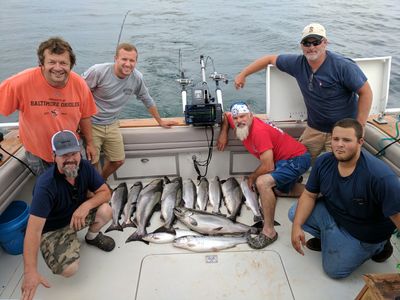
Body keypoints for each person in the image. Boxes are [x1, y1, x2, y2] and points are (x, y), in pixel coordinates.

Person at [234, 23, 373, 160]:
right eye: (306, 43)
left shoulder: (343, 66)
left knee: (338, 169)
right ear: (301, 45)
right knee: (297, 160)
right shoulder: (297, 63)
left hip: (342, 130)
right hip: (314, 128)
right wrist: (243, 74)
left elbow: (366, 92)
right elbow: (269, 59)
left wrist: (360, 126)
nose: (311, 47)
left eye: (316, 42)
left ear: (325, 42)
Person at [289, 118, 400, 279]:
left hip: (365, 233)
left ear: (360, 142)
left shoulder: (379, 176)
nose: (339, 145)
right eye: (336, 139)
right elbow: (309, 194)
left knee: (334, 271)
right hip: (338, 214)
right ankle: (330, 239)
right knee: (295, 214)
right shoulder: (323, 162)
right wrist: (297, 226)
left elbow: (397, 216)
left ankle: (380, 247)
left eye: (347, 140)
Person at [21, 130, 115, 300]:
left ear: (80, 152)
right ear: (54, 156)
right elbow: (33, 231)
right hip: (53, 229)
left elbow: (105, 193)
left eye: (73, 153)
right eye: (64, 155)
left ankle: (91, 237)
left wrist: (86, 205)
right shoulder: (45, 186)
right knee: (69, 270)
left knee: (106, 210)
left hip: (76, 216)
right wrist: (30, 272)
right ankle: (66, 243)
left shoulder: (85, 167)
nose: (70, 159)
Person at [217, 101, 311, 249]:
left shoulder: (259, 132)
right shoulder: (235, 119)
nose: (239, 121)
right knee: (278, 190)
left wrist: (253, 177)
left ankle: (269, 232)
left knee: (262, 183)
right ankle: (318, 192)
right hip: (283, 160)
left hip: (297, 160)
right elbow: (226, 115)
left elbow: (268, 166)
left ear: (251, 115)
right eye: (236, 118)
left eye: (243, 116)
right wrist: (223, 133)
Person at [0, 37, 97, 176]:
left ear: (71, 65)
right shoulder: (20, 83)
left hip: (71, 151)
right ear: (42, 64)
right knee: (51, 190)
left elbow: (85, 115)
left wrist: (90, 144)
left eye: (63, 63)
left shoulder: (79, 84)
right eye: (52, 62)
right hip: (39, 154)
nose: (58, 68)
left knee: (76, 184)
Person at [82, 43, 178, 180]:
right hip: (92, 124)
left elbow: (147, 98)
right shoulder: (98, 71)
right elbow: (78, 93)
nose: (128, 64)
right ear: (115, 58)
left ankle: (100, 182)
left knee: (118, 160)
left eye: (132, 60)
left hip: (112, 124)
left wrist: (160, 121)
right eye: (124, 59)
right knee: (92, 163)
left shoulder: (137, 78)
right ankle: (95, 190)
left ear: (136, 62)